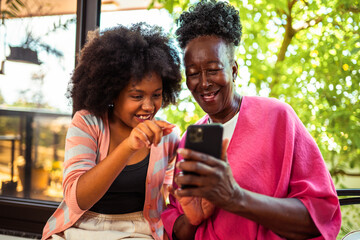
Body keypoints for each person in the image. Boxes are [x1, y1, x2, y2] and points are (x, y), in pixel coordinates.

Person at [161, 1, 341, 239]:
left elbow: (320, 217)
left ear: (233, 70)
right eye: (193, 73)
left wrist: (236, 198)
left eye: (213, 69)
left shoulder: (278, 119)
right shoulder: (189, 142)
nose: (203, 83)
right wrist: (193, 221)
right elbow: (178, 229)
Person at [41, 22, 182, 240]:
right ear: (112, 93)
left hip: (138, 231)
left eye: (156, 95)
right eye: (137, 96)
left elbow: (171, 200)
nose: (149, 106)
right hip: (81, 226)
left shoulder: (167, 136)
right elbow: (76, 199)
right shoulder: (87, 123)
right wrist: (128, 147)